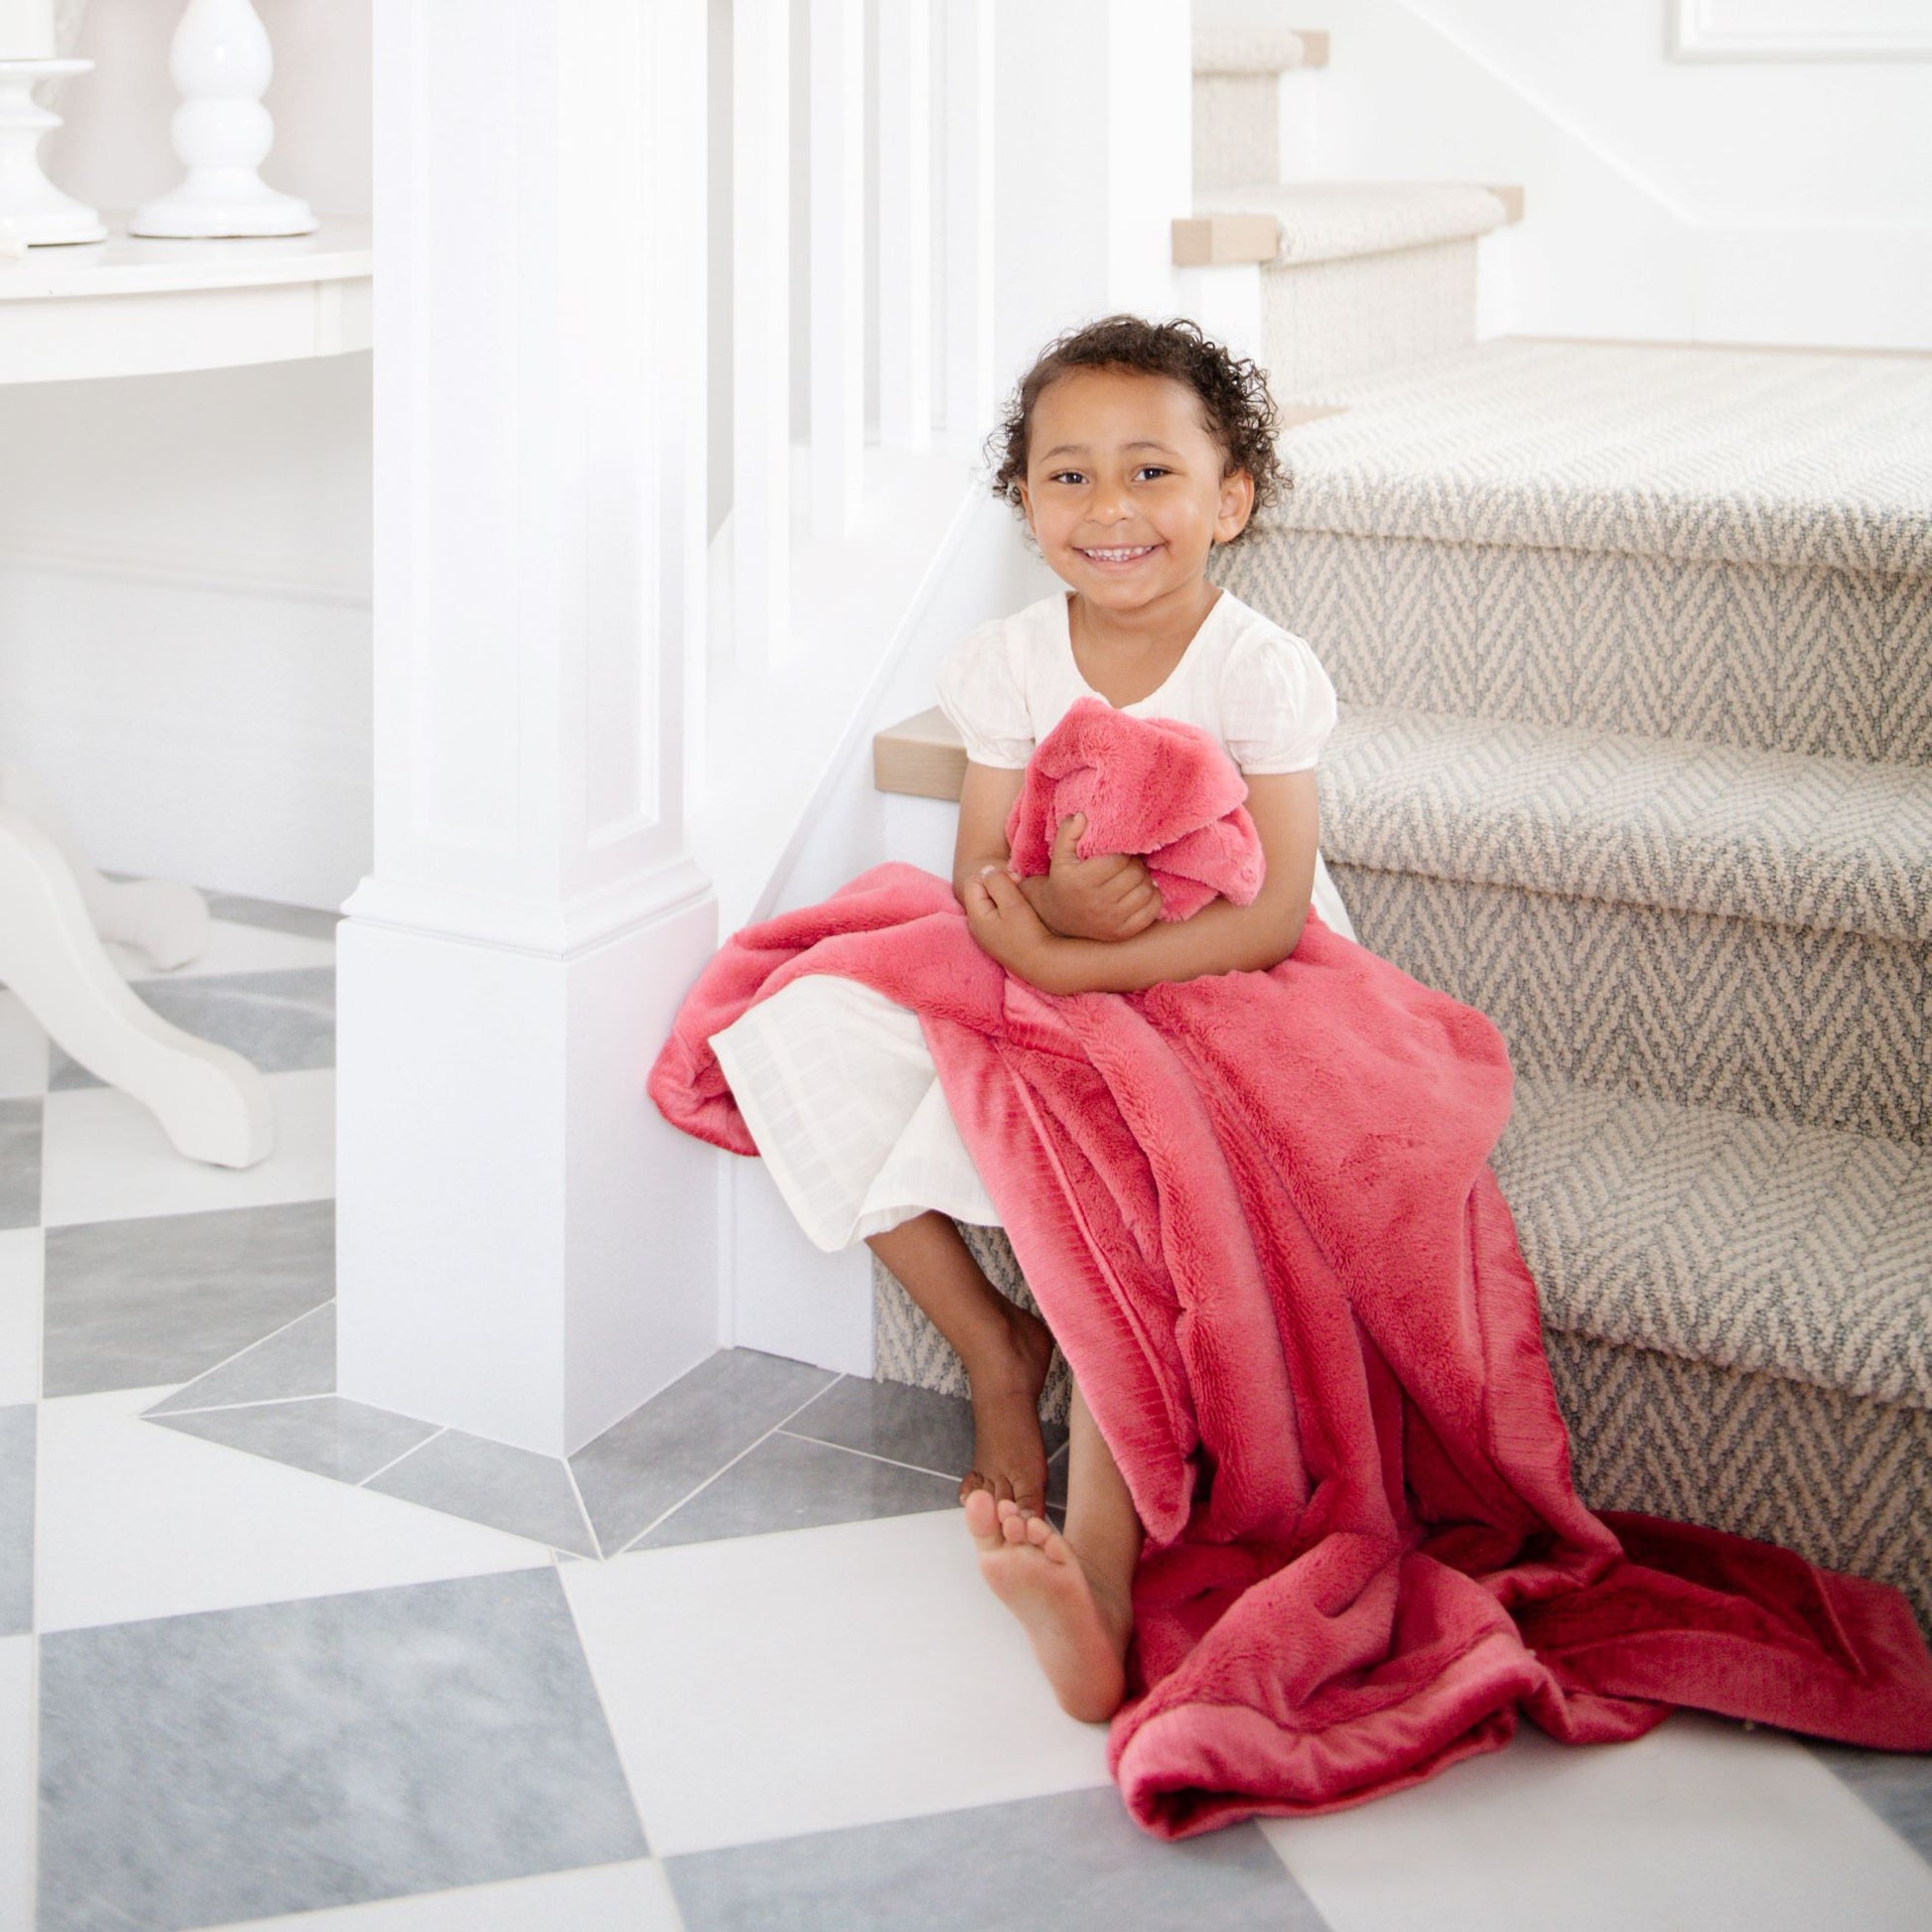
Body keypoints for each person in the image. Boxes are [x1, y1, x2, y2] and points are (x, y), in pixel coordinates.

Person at [707, 315, 1339, 1722]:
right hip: (1050, 951)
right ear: (1022, 501)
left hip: (1227, 991)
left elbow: (1274, 918)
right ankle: (1000, 1349)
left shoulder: (1255, 668)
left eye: (1150, 473)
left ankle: (1101, 1578)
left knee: (1124, 1179)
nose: (1108, 509)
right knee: (791, 1036)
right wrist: (1053, 919)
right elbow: (976, 880)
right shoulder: (1007, 661)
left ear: (1227, 499)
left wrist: (1083, 957)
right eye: (1067, 477)